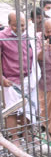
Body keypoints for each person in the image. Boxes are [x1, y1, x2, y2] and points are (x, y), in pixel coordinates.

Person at [0, 12, 37, 147]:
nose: (20, 28)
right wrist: (1, 78)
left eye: (22, 25)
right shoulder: (2, 37)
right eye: (16, 26)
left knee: (26, 109)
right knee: (12, 111)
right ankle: (14, 137)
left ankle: (27, 134)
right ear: (9, 24)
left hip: (27, 78)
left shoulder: (28, 36)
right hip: (10, 80)